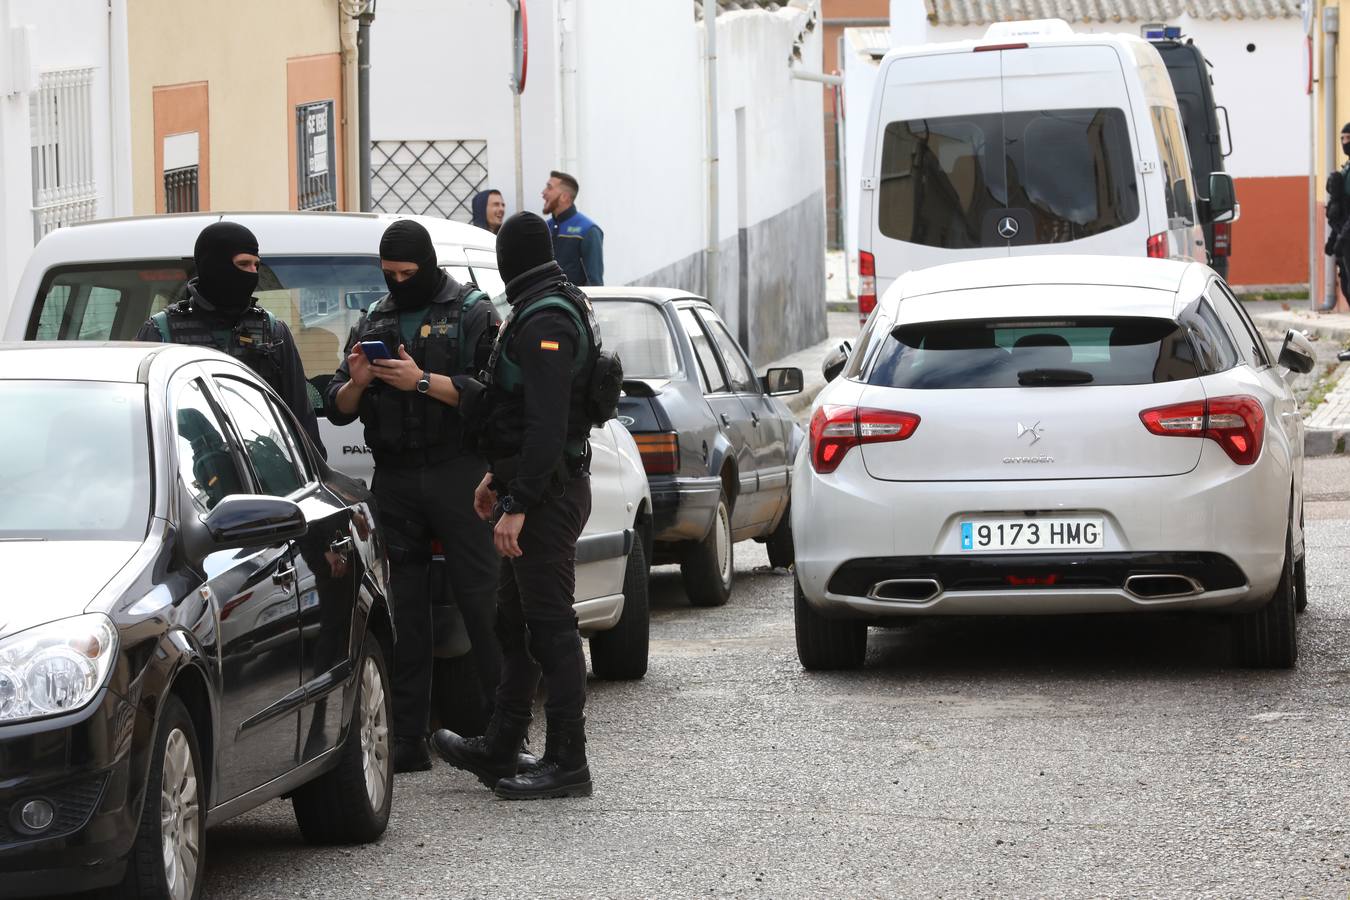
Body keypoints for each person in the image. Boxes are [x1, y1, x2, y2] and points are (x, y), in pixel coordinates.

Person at [432, 211, 600, 800]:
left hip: (547, 498)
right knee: (513, 622)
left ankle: (567, 761)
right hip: (530, 488)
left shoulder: (547, 317)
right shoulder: (544, 303)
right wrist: (493, 480)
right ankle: (502, 742)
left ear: (513, 258)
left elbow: (547, 423)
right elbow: (516, 415)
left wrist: (520, 502)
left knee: (550, 627)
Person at [325, 219, 503, 773]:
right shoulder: (375, 317)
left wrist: (419, 381)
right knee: (402, 611)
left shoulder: (472, 311)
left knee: (483, 602)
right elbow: (337, 405)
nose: (399, 282)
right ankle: (405, 738)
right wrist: (358, 380)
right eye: (390, 274)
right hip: (396, 479)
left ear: (427, 265)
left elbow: (491, 398)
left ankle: (502, 732)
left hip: (458, 473)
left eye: (408, 273)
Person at [136, 221, 324, 455]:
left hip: (265, 468)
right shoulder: (161, 331)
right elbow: (142, 420)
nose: (253, 273)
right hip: (186, 467)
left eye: (256, 265)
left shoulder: (273, 330)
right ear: (214, 265)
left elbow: (300, 417)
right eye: (243, 264)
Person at [542, 170, 604, 286]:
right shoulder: (544, 228)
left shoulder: (588, 230)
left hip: (574, 303)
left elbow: (595, 283)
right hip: (547, 302)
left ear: (564, 197)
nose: (543, 192)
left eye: (549, 188)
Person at [1327, 124, 1350, 301]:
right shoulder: (1345, 169)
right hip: (1344, 236)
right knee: (1346, 285)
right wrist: (1333, 239)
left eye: (1348, 138)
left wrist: (1342, 237)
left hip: (1347, 235)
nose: (1344, 142)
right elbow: (1339, 211)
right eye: (1342, 138)